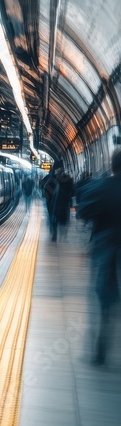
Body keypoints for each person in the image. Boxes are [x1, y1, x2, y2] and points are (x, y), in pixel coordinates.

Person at [77, 150, 121, 365]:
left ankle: (100, 350)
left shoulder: (103, 186)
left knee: (104, 297)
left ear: (112, 165)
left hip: (106, 247)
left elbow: (83, 211)